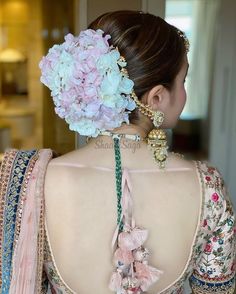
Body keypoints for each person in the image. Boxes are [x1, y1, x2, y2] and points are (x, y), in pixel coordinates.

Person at [0, 10, 235, 294]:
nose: (184, 93)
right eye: (183, 81)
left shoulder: (31, 179)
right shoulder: (207, 187)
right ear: (157, 97)